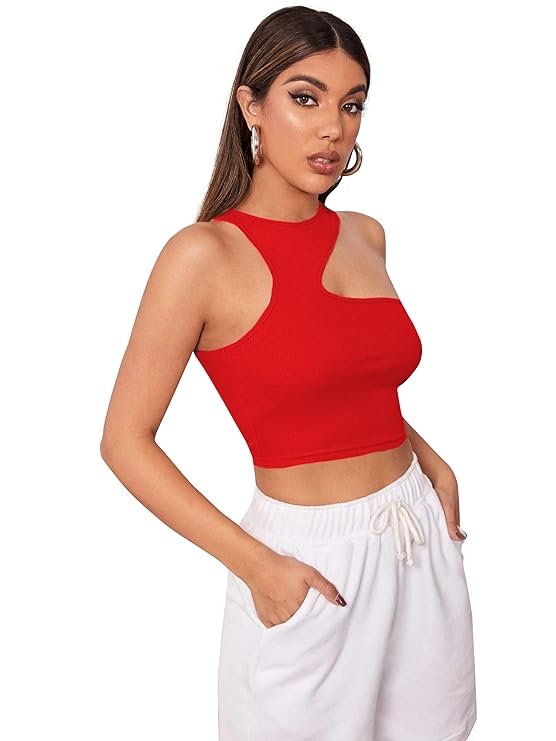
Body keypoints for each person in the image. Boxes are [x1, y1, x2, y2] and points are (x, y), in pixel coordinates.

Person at [100, 6, 477, 740]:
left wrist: (430, 460)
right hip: (305, 559)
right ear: (251, 106)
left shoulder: (366, 235)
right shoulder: (202, 256)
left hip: (417, 535)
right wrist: (258, 567)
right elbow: (124, 441)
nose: (333, 128)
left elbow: (346, 384)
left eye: (352, 104)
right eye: (306, 98)